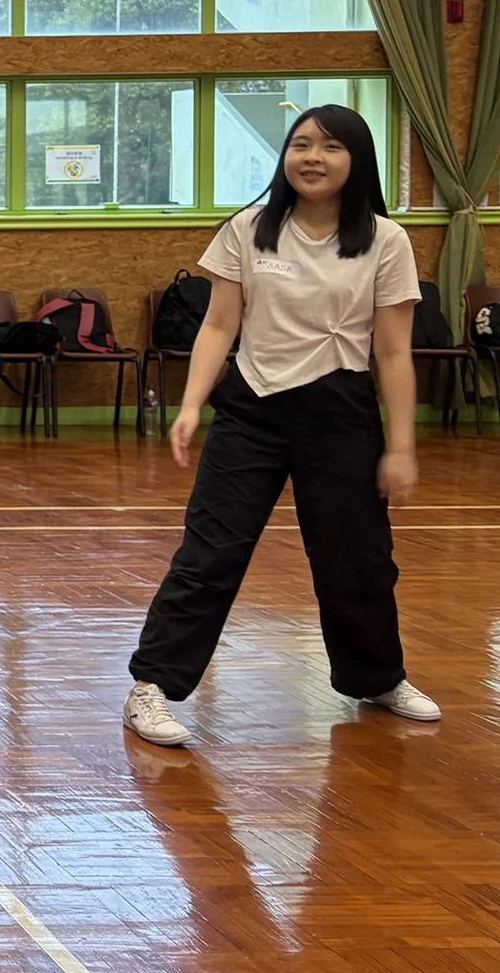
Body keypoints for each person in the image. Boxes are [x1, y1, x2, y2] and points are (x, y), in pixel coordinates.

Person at [123, 104, 436, 748]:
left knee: (358, 560)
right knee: (210, 553)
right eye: (301, 145)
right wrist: (191, 405)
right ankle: (152, 686)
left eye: (330, 147)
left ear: (357, 160)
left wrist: (401, 446)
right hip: (252, 411)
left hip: (342, 414)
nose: (312, 158)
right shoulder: (248, 228)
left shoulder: (386, 240)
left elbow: (393, 352)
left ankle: (377, 678)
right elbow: (219, 325)